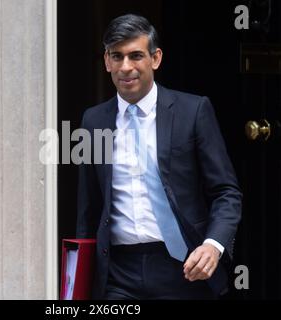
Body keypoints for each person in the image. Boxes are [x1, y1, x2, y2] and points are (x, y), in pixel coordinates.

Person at [76, 14, 242, 300]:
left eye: (136, 56)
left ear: (156, 58)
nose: (126, 67)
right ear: (106, 61)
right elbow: (88, 206)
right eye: (117, 56)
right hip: (119, 273)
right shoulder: (94, 121)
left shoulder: (193, 111)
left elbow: (226, 192)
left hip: (184, 267)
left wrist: (212, 246)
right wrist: (79, 277)